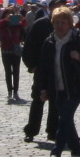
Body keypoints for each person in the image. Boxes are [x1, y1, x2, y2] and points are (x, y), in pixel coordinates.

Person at [32, 6, 80, 157]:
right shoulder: (49, 42)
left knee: (64, 118)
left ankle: (56, 153)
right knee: (66, 121)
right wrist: (43, 88)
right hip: (56, 87)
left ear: (70, 23)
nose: (60, 26)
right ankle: (76, 153)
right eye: (57, 23)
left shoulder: (78, 40)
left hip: (75, 87)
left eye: (63, 22)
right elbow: (44, 67)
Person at [21, 8, 56, 141]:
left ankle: (53, 131)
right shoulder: (40, 24)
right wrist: (32, 65)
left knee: (55, 102)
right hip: (41, 69)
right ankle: (31, 130)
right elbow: (29, 45)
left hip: (58, 70)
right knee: (37, 99)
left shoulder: (66, 24)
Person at [0, 8, 25, 103]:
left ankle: (16, 92)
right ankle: (9, 91)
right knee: (8, 72)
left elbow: (25, 24)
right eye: (8, 14)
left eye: (11, 14)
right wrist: (6, 19)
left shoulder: (16, 25)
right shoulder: (3, 24)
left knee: (16, 72)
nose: (10, 16)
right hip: (5, 50)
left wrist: (21, 18)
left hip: (15, 51)